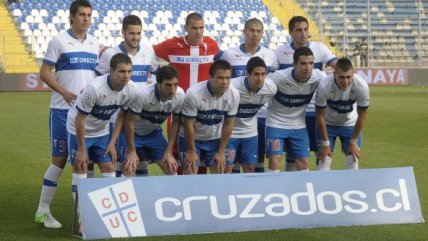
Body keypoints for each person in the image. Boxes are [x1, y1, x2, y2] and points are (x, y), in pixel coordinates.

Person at [35, 0, 99, 229]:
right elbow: (44, 73)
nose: (86, 19)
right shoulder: (58, 41)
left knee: (84, 162)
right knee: (60, 160)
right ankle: (43, 211)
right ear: (71, 16)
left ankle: (84, 216)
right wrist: (65, 92)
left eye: (89, 15)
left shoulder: (94, 43)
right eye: (82, 14)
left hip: (85, 114)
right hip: (62, 110)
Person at [67, 53, 137, 232]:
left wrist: (113, 142)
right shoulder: (94, 88)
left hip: (102, 132)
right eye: (122, 71)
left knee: (108, 168)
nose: (126, 75)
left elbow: (121, 115)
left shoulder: (131, 89)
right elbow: (79, 119)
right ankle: (82, 220)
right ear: (111, 71)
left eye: (129, 71)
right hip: (78, 131)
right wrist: (82, 150)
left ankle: (110, 215)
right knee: (81, 167)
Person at [153, 12, 220, 175]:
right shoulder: (171, 45)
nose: (198, 32)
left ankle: (200, 193)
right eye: (194, 28)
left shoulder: (211, 45)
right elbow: (149, 54)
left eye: (201, 28)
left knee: (202, 153)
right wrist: (155, 75)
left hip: (203, 108)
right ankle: (180, 189)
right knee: (177, 152)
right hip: (178, 107)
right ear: (186, 28)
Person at [95, 14, 159, 177]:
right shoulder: (110, 54)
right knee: (118, 161)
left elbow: (157, 73)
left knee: (139, 160)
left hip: (140, 116)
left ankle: (139, 197)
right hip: (116, 116)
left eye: (138, 33)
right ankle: (117, 196)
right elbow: (97, 79)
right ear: (123, 32)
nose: (135, 37)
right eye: (131, 33)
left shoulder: (148, 51)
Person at [275, 16, 337, 171]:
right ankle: (290, 190)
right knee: (292, 156)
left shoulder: (320, 48)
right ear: (290, 32)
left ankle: (321, 190)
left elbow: (339, 68)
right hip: (293, 113)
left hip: (316, 111)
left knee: (322, 154)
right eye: (298, 30)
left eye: (306, 29)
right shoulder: (280, 52)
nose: (303, 33)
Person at [219, 18, 279, 173]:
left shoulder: (270, 55)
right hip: (233, 116)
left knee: (254, 162)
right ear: (245, 32)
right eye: (251, 30)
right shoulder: (229, 54)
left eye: (258, 31)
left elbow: (271, 82)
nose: (255, 34)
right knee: (230, 165)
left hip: (259, 115)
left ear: (262, 34)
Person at [266, 47, 326, 172]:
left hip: (298, 125)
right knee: (275, 159)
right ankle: (274, 190)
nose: (307, 67)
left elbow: (332, 85)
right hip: (276, 123)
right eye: (303, 63)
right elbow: (260, 85)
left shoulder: (318, 77)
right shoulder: (279, 77)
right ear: (294, 64)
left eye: (311, 63)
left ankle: (303, 190)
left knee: (303, 162)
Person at [179, 60, 240, 174]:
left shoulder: (234, 94)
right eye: (220, 78)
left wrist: (221, 151)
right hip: (191, 139)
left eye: (228, 78)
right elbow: (188, 125)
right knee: (190, 172)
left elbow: (229, 124)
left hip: (214, 138)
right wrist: (191, 151)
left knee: (221, 172)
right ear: (210, 77)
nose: (225, 82)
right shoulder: (194, 94)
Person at [123, 65, 185, 176]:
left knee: (171, 168)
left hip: (153, 134)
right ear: (159, 84)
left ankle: (170, 193)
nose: (172, 90)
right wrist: (132, 151)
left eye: (175, 84)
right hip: (132, 134)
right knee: (129, 168)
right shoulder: (142, 95)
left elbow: (176, 122)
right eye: (168, 85)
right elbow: (129, 121)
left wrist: (169, 152)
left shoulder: (180, 95)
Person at [315, 57, 369, 170]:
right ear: (334, 74)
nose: (346, 81)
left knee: (353, 159)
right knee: (324, 160)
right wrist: (325, 144)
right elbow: (320, 116)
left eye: (349, 77)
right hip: (328, 125)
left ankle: (353, 187)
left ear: (353, 74)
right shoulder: (324, 86)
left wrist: (353, 142)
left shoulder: (362, 86)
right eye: (342, 77)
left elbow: (362, 115)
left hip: (350, 124)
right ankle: (323, 187)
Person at [226, 56, 277, 173]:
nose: (260, 78)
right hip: (230, 134)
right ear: (247, 74)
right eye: (256, 74)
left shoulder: (271, 88)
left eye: (263, 74)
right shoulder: (231, 87)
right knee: (227, 168)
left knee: (250, 169)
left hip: (250, 134)